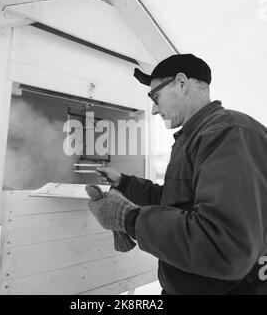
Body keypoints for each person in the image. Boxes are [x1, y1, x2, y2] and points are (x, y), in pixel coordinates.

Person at [85, 54, 267, 295]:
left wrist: (128, 218)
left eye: (155, 96)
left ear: (181, 83)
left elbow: (223, 247)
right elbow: (177, 203)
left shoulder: (227, 133)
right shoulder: (196, 135)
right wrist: (124, 182)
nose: (153, 108)